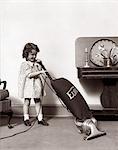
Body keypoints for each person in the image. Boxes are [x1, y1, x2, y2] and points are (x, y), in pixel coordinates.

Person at [18, 42, 49, 126]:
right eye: (32, 54)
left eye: (35, 55)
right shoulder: (25, 64)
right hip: (28, 86)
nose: (34, 57)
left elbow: (42, 72)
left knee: (38, 101)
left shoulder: (36, 64)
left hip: (36, 85)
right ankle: (26, 118)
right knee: (27, 101)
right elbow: (29, 75)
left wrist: (41, 65)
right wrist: (40, 72)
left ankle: (40, 118)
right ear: (26, 54)